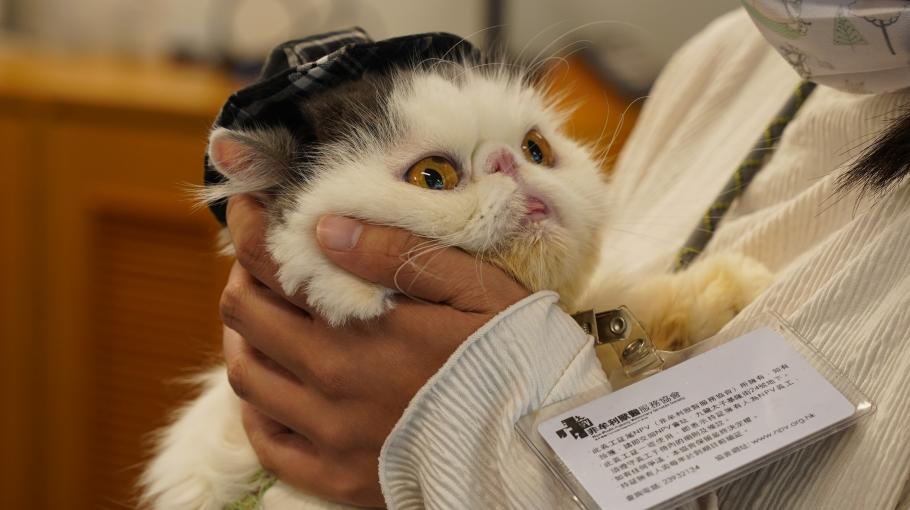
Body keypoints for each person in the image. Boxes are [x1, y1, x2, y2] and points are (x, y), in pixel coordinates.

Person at [217, 6, 910, 509]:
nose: (514, 173)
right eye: (434, 176)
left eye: (537, 152)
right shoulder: (734, 56)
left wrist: (471, 433)